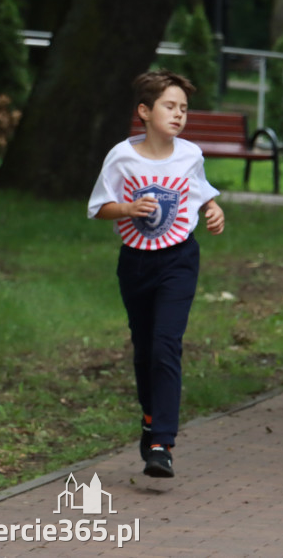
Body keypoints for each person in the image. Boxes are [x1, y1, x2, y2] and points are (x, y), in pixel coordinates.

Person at [87, 69, 225, 478]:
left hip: (179, 259)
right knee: (145, 347)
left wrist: (213, 210)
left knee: (167, 345)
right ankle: (150, 417)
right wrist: (128, 209)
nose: (179, 114)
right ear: (145, 111)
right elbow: (99, 206)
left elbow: (202, 195)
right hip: (136, 262)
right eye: (170, 106)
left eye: (184, 108)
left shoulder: (190, 155)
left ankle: (163, 442)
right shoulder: (121, 157)